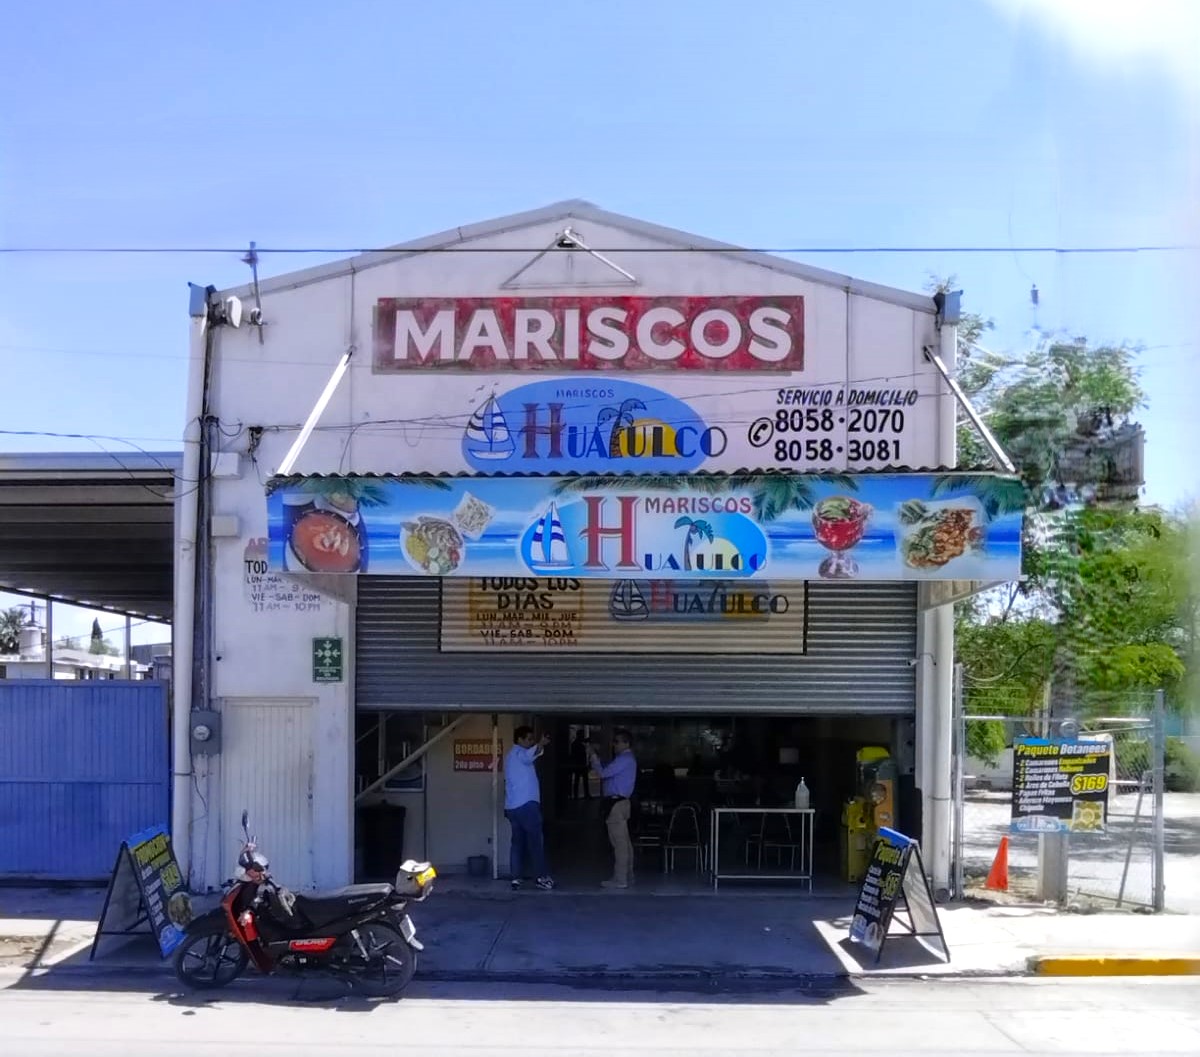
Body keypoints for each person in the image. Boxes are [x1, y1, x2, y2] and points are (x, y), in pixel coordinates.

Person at [504, 726, 555, 891]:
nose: (531, 742)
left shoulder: (510, 756)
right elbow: (528, 756)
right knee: (535, 843)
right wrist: (541, 743)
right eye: (529, 739)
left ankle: (516, 878)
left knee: (517, 843)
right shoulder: (519, 753)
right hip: (526, 806)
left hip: (512, 807)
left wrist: (538, 745)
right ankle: (541, 877)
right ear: (519, 739)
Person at [589, 729, 637, 889]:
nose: (614, 745)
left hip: (616, 803)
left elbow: (604, 773)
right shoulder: (625, 759)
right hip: (621, 803)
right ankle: (628, 875)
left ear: (626, 743)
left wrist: (594, 758)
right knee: (625, 842)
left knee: (619, 843)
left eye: (617, 741)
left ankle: (620, 878)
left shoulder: (624, 759)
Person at [569, 729, 591, 800]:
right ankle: (582, 795)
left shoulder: (575, 743)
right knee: (580, 780)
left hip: (580, 764)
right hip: (579, 764)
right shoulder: (577, 744)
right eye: (581, 735)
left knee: (579, 780)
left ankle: (577, 795)